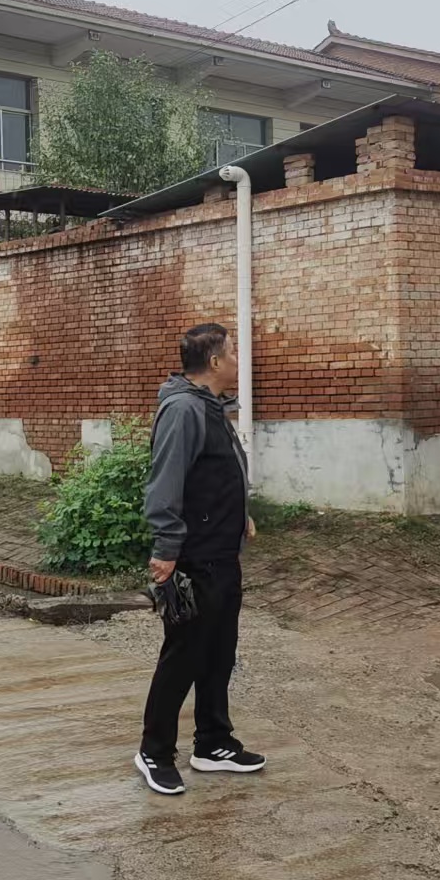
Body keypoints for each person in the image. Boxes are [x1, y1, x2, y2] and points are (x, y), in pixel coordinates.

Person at [135, 322, 266, 795]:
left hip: (222, 551)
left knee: (219, 652)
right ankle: (154, 750)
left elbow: (217, 473)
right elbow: (166, 482)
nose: (236, 360)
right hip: (195, 555)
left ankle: (213, 743)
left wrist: (240, 515)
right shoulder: (183, 409)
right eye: (231, 353)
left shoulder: (211, 406)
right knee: (184, 654)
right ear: (213, 362)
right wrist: (167, 549)